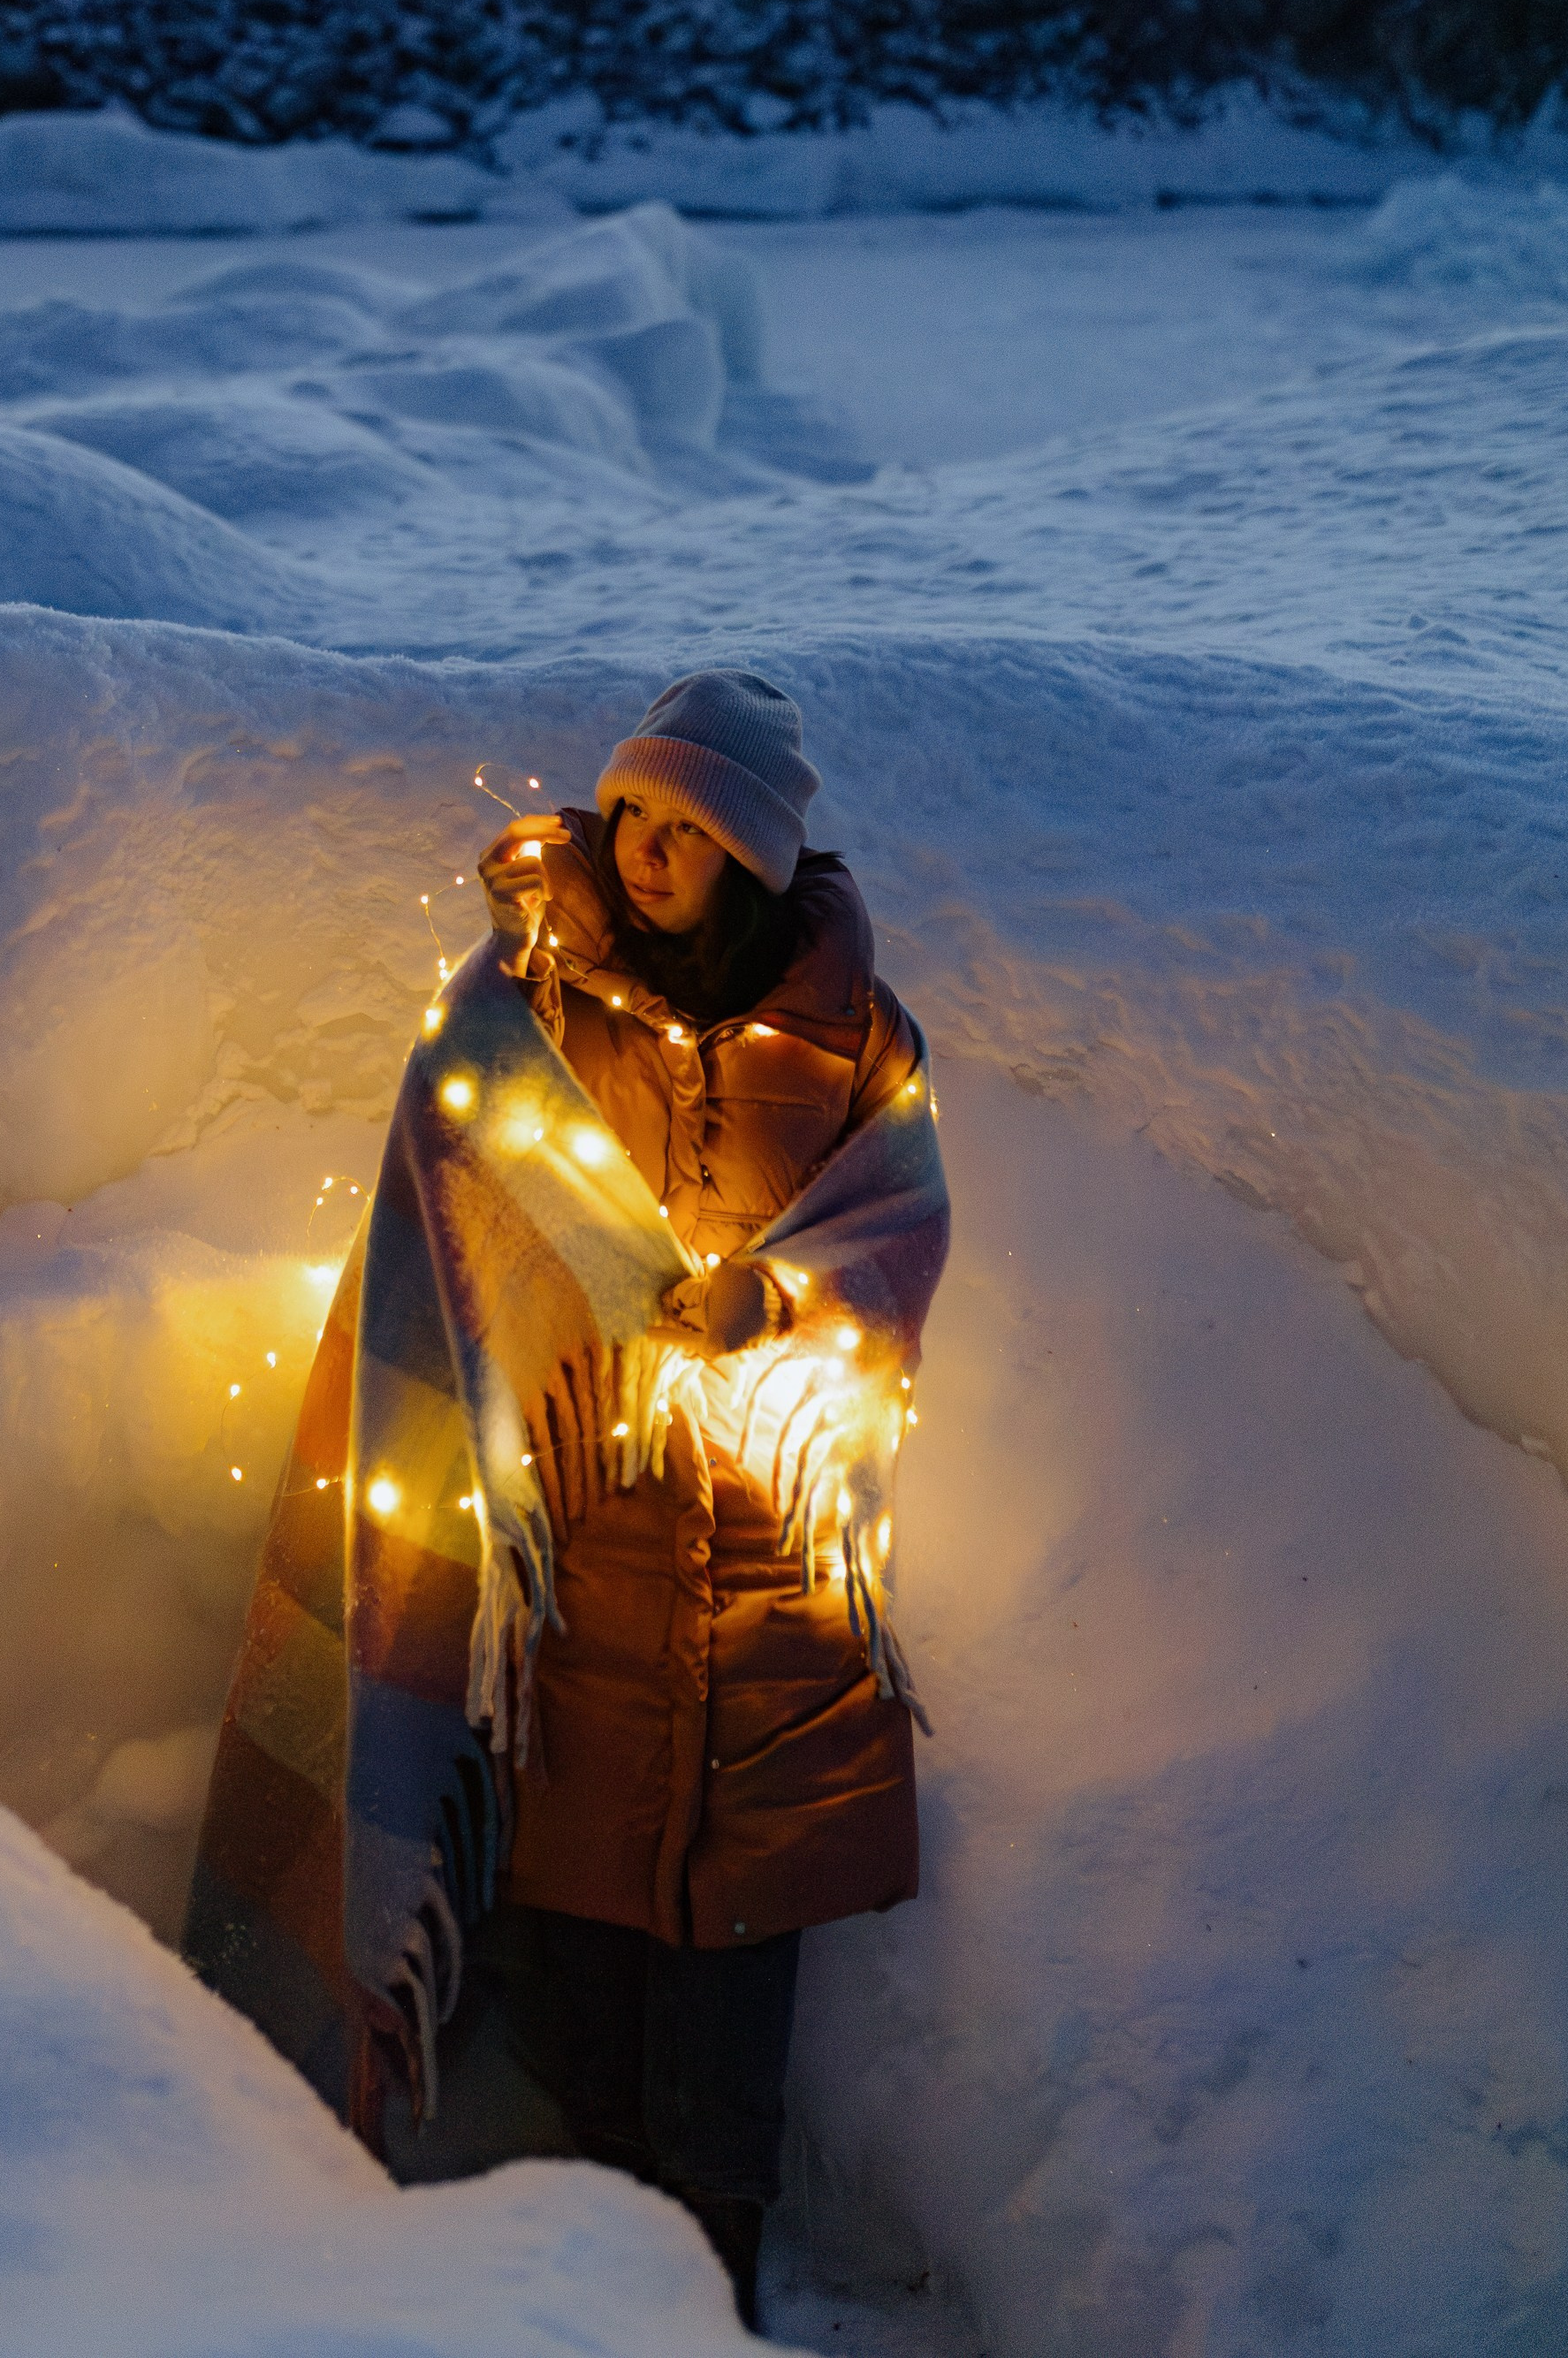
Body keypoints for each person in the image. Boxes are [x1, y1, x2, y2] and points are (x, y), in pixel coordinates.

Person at [471, 668, 933, 2329]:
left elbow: (896, 1230)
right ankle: (600, 2299)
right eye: (632, 818)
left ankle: (715, 2309)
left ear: (753, 848)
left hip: (775, 1595)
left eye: (688, 825)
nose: (649, 851)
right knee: (579, 2010)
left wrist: (782, 1304)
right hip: (584, 1559)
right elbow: (464, 1199)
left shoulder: (851, 1042)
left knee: (723, 2057)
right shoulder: (542, 999)